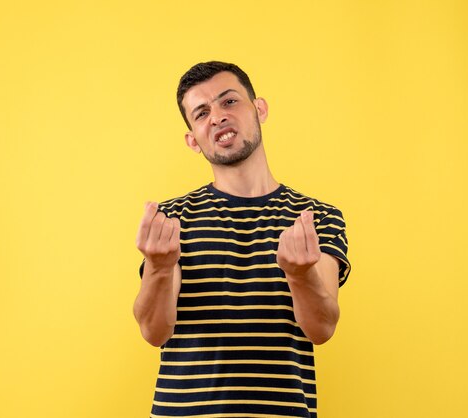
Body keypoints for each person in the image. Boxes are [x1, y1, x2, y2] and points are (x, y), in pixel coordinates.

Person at [134, 61, 351, 418]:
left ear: (259, 109)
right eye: (202, 112)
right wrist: (158, 267)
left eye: (229, 102)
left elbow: (322, 327)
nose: (217, 117)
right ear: (193, 139)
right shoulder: (173, 220)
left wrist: (299, 275)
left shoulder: (316, 217)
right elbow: (154, 332)